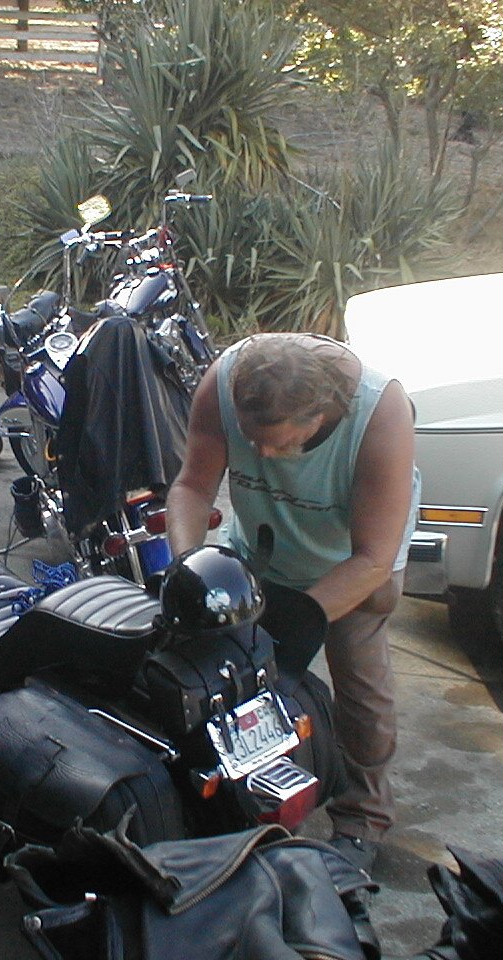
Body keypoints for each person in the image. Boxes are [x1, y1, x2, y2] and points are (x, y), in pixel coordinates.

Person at [166, 332, 420, 874]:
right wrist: (188, 566)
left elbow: (373, 556)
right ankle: (257, 799)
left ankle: (363, 818)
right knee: (236, 679)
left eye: (279, 445)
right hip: (264, 544)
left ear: (319, 416)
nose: (261, 455)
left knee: (360, 688)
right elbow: (192, 486)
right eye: (251, 441)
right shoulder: (224, 384)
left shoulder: (381, 414)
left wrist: (299, 620)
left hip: (354, 562)